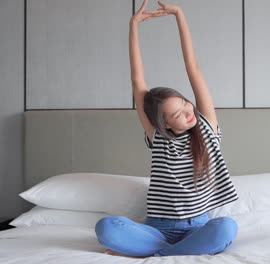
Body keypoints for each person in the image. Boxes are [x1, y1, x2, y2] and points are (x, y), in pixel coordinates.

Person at [94, 0, 239, 258]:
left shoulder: (206, 126)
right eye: (177, 114)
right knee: (107, 227)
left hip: (199, 227)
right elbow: (137, 80)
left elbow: (193, 68)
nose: (188, 112)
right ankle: (177, 252)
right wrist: (133, 25)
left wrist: (179, 16)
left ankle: (157, 255)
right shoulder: (158, 137)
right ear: (165, 123)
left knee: (226, 228)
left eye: (185, 103)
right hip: (157, 229)